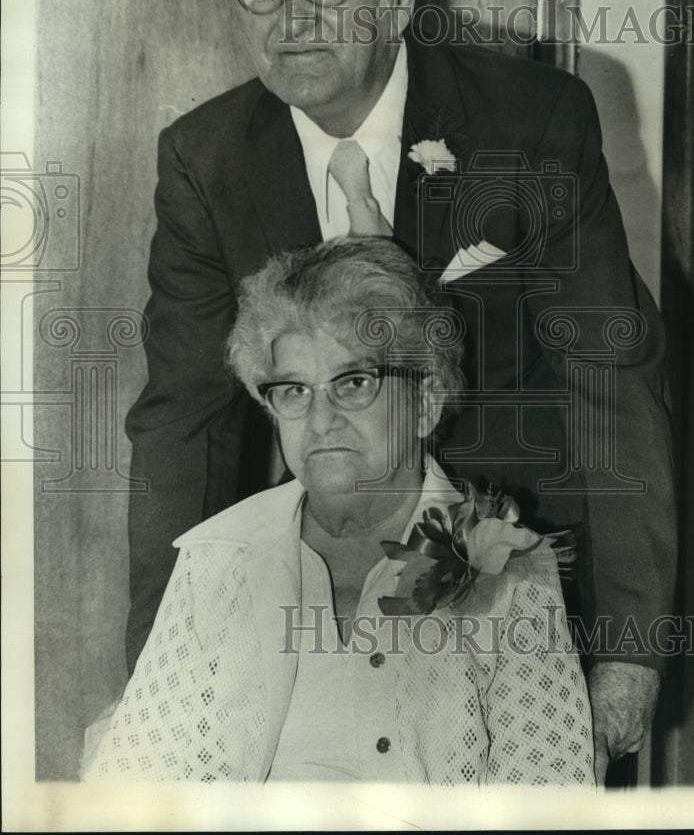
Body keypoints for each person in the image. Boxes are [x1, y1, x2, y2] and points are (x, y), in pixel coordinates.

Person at [125, 0, 676, 783]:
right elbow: (181, 424)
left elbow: (610, 374)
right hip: (326, 586)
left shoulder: (532, 121)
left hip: (524, 582)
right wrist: (155, 667)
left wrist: (629, 649)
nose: (292, 18)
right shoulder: (205, 157)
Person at [85, 238, 594, 784]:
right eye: (295, 391)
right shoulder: (217, 560)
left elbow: (548, 797)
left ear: (426, 402)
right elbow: (133, 790)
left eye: (353, 383)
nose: (321, 419)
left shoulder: (508, 565)